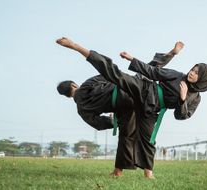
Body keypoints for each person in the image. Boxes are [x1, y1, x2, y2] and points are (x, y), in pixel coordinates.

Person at [56, 37, 184, 178]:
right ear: (74, 85)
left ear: (67, 96)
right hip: (127, 92)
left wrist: (112, 121)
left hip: (120, 106)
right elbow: (108, 72)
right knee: (146, 71)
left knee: (126, 136)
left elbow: (97, 123)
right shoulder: (87, 84)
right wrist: (74, 46)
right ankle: (170, 54)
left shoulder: (81, 110)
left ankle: (118, 172)